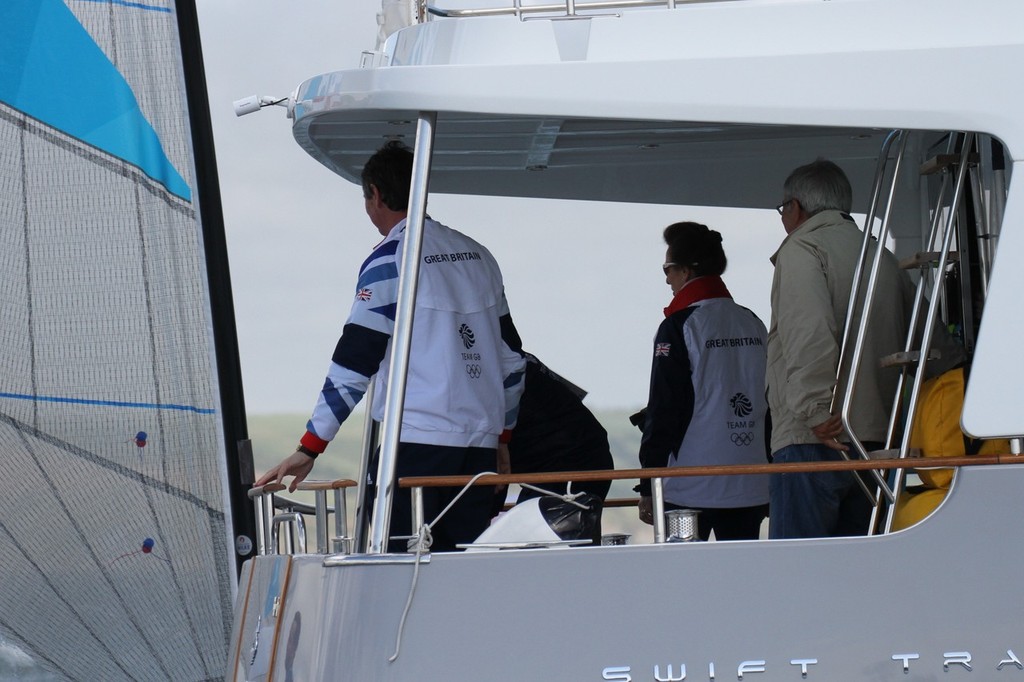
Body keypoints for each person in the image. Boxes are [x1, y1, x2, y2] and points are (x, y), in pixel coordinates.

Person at [255, 141, 526, 552]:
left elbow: (355, 361)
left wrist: (310, 446)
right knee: (468, 575)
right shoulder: (479, 257)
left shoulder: (390, 259)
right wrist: (503, 437)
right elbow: (512, 361)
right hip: (479, 450)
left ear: (376, 195)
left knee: (397, 571)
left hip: (415, 446)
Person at [767, 159, 912, 539]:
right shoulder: (882, 255)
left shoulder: (802, 248)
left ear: (795, 207)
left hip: (816, 437)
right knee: (862, 575)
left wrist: (815, 411)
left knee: (800, 573)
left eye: (783, 209)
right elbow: (926, 340)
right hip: (878, 440)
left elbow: (808, 332)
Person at [637, 222, 770, 541]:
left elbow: (664, 410)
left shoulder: (679, 327)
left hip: (690, 490)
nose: (666, 278)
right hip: (751, 484)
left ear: (685, 271)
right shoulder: (752, 321)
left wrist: (647, 484)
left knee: (681, 582)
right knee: (743, 581)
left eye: (668, 268)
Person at [500, 353, 613, 541]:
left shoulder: (504, 366)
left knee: (537, 549)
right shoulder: (514, 360)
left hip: (570, 459)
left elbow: (491, 476)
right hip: (577, 453)